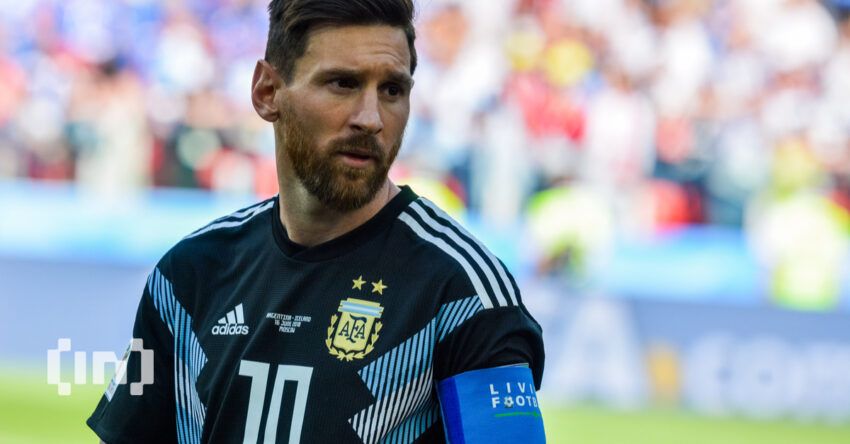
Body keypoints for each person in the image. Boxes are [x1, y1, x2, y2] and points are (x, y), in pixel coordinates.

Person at [87, 1, 545, 442]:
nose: (371, 119)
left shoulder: (465, 294)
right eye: (343, 83)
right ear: (267, 92)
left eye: (392, 90)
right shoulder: (187, 275)